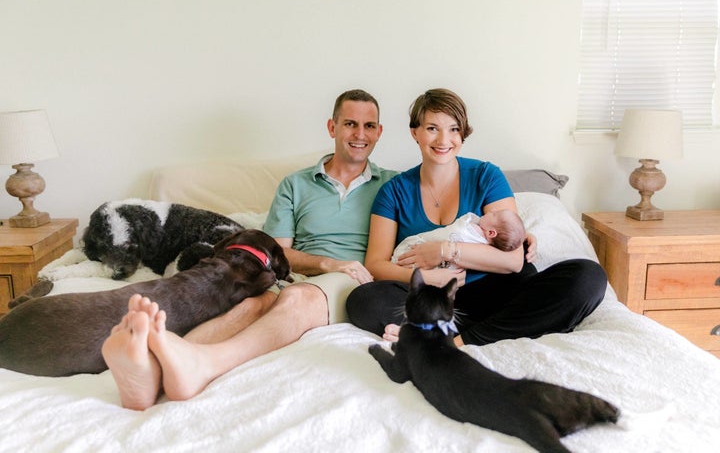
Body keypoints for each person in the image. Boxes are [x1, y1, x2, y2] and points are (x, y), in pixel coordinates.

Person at [101, 89, 397, 410]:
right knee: (247, 307)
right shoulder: (295, 185)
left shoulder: (393, 185)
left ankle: (205, 365)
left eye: (369, 126)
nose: (359, 134)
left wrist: (340, 267)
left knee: (298, 298)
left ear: (379, 132)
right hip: (296, 275)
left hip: (350, 279)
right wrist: (325, 263)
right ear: (332, 127)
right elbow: (278, 253)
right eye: (350, 124)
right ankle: (152, 371)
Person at [346, 88, 607, 347]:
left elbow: (513, 260)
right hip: (433, 299)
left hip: (496, 290)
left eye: (454, 129)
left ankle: (459, 339)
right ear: (415, 132)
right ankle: (506, 328)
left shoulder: (486, 175)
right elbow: (376, 264)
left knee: (588, 277)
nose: (443, 140)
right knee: (363, 301)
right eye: (432, 128)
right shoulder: (393, 191)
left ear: (463, 134)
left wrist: (445, 250)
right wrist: (428, 278)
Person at [391, 209, 525, 264]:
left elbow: (458, 231)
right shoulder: (485, 240)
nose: (490, 211)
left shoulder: (471, 231)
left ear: (491, 233)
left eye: (494, 215)